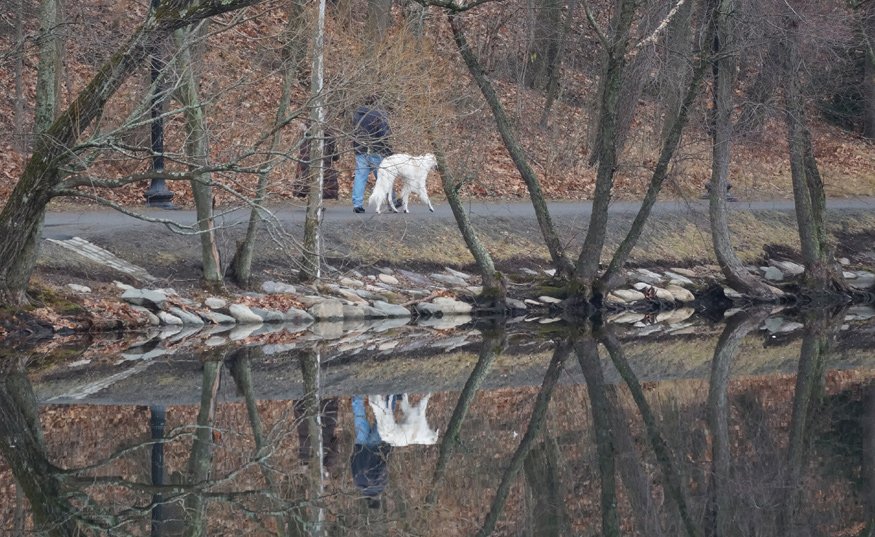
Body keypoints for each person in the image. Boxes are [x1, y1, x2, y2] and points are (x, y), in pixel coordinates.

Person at [351, 96, 399, 213]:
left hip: (360, 149)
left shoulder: (357, 115)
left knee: (360, 177)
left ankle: (357, 204)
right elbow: (384, 133)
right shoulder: (379, 115)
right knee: (383, 177)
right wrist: (388, 149)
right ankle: (391, 201)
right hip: (377, 150)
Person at [350, 395, 394, 508]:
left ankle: (391, 397)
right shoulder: (357, 482)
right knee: (359, 418)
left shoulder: (380, 484)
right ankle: (356, 395)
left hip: (375, 447)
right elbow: (352, 462)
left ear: (378, 499)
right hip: (360, 446)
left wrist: (388, 447)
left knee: (384, 418)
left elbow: (383, 463)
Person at [293, 127, 340, 200]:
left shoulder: (304, 132)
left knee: (306, 180)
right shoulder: (329, 134)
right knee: (322, 181)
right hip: (323, 163)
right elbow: (335, 154)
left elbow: (301, 149)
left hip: (305, 163)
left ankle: (311, 200)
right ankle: (316, 202)